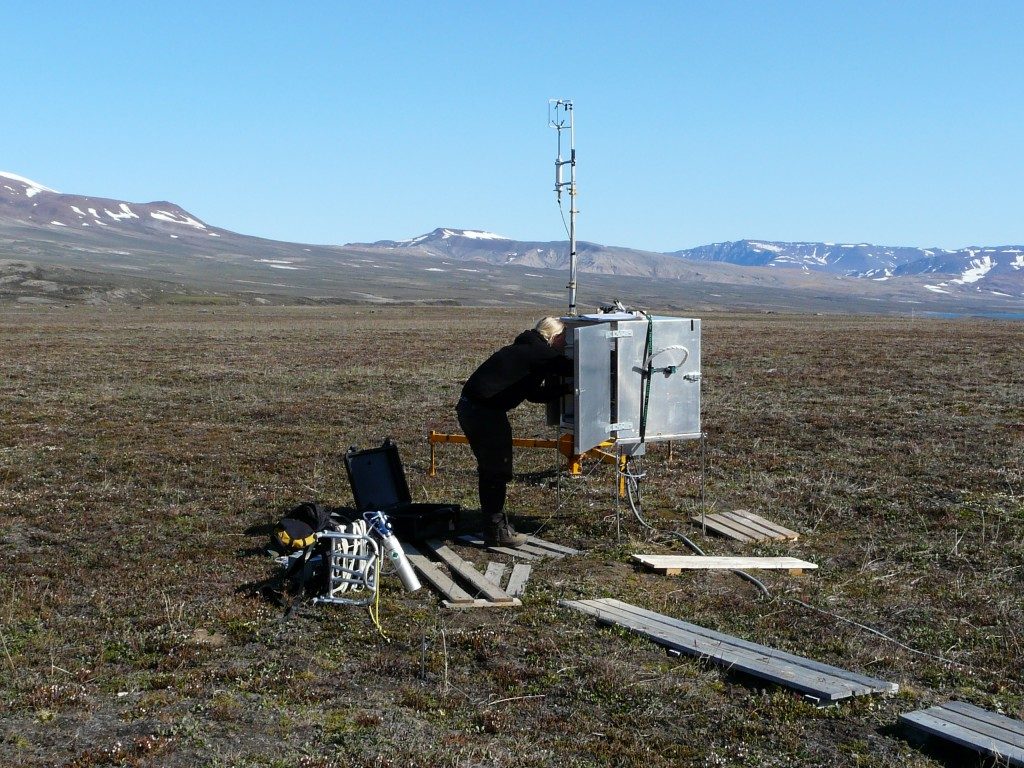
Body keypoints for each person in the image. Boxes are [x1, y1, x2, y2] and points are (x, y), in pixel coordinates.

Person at [457, 317, 573, 547]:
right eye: (565, 339)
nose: (565, 344)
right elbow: (570, 367)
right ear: (556, 336)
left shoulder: (526, 348)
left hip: (473, 409)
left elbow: (532, 394)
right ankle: (496, 532)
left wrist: (564, 389)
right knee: (496, 470)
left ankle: (495, 526)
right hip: (484, 413)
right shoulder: (541, 353)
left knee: (492, 469)